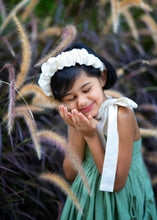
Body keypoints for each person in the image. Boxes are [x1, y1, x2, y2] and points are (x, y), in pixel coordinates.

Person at [38, 42, 157, 219]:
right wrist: (78, 128)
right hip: (86, 197)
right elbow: (71, 173)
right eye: (71, 98)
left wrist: (91, 135)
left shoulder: (121, 115)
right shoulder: (77, 114)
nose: (82, 101)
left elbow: (116, 183)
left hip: (121, 200)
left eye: (87, 89)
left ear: (102, 78)